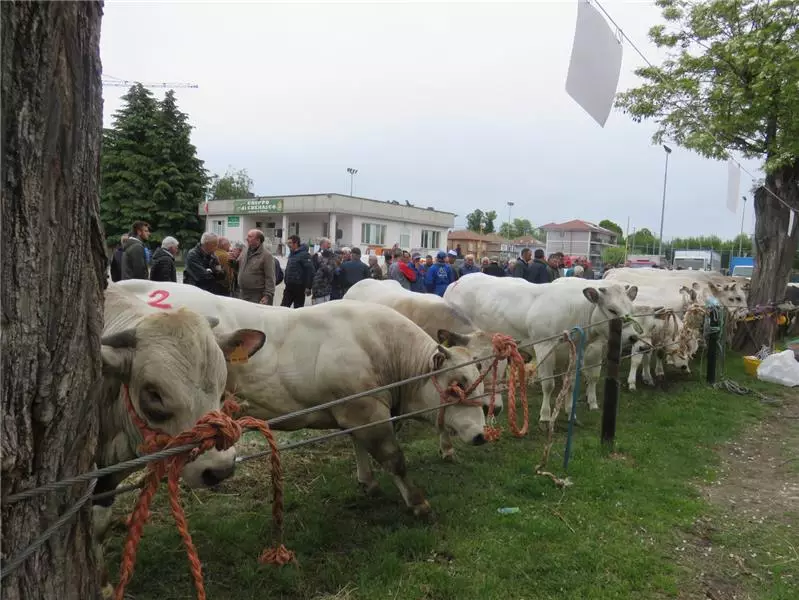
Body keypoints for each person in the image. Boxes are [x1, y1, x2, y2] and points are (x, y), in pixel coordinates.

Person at [238, 229, 277, 304]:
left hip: (257, 295)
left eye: (250, 236)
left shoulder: (266, 255)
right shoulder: (245, 251)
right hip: (243, 293)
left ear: (258, 240)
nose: (246, 238)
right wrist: (232, 262)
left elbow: (270, 277)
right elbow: (239, 268)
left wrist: (267, 295)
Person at [282, 234, 314, 308]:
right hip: (289, 287)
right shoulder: (291, 254)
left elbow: (310, 271)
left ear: (296, 243)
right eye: (287, 243)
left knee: (298, 309)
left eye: (290, 243)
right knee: (283, 308)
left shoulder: (305, 255)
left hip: (299, 287)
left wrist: (308, 287)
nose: (288, 245)